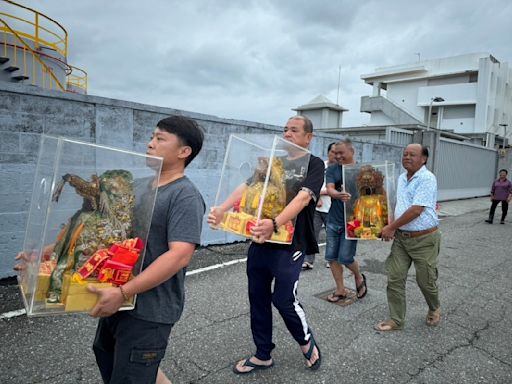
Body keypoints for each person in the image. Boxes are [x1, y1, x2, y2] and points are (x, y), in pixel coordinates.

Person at [89, 116, 206, 384]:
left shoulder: (185, 195)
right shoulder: (139, 186)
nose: (150, 143)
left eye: (160, 138)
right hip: (119, 297)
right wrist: (52, 250)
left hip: (150, 309)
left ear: (183, 152)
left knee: (131, 374)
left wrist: (123, 292)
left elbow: (179, 255)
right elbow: (108, 229)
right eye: (152, 137)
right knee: (111, 359)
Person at [208, 115, 324, 374]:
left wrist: (276, 222)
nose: (288, 134)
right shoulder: (274, 162)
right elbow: (247, 185)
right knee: (257, 298)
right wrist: (222, 210)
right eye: (285, 130)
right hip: (261, 240)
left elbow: (304, 198)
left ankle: (305, 341)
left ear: (309, 137)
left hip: (291, 244)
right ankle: (262, 354)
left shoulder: (314, 164)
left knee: (284, 300)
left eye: (294, 130)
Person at [375, 143, 441, 331]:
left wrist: (391, 227)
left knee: (425, 280)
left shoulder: (427, 178)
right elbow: (398, 203)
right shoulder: (403, 177)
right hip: (402, 239)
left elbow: (416, 210)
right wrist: (388, 225)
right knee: (394, 278)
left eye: (412, 154)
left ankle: (434, 307)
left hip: (424, 239)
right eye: (405, 154)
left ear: (424, 159)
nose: (407, 157)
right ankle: (396, 319)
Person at [324, 140, 367, 302]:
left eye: (341, 152)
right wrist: (336, 195)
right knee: (331, 257)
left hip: (353, 221)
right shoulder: (332, 169)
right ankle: (340, 289)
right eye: (336, 153)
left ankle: (358, 276)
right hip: (333, 220)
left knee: (346, 258)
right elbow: (329, 188)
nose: (338, 156)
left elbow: (373, 195)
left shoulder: (362, 171)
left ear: (352, 151)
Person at [302, 142, 336, 270]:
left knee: (331, 236)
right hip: (316, 208)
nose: (334, 154)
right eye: (332, 151)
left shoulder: (341, 170)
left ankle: (331, 260)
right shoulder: (321, 165)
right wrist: (318, 196)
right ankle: (308, 261)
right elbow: (312, 184)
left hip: (332, 208)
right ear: (328, 152)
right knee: (312, 234)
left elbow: (340, 191)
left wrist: (319, 193)